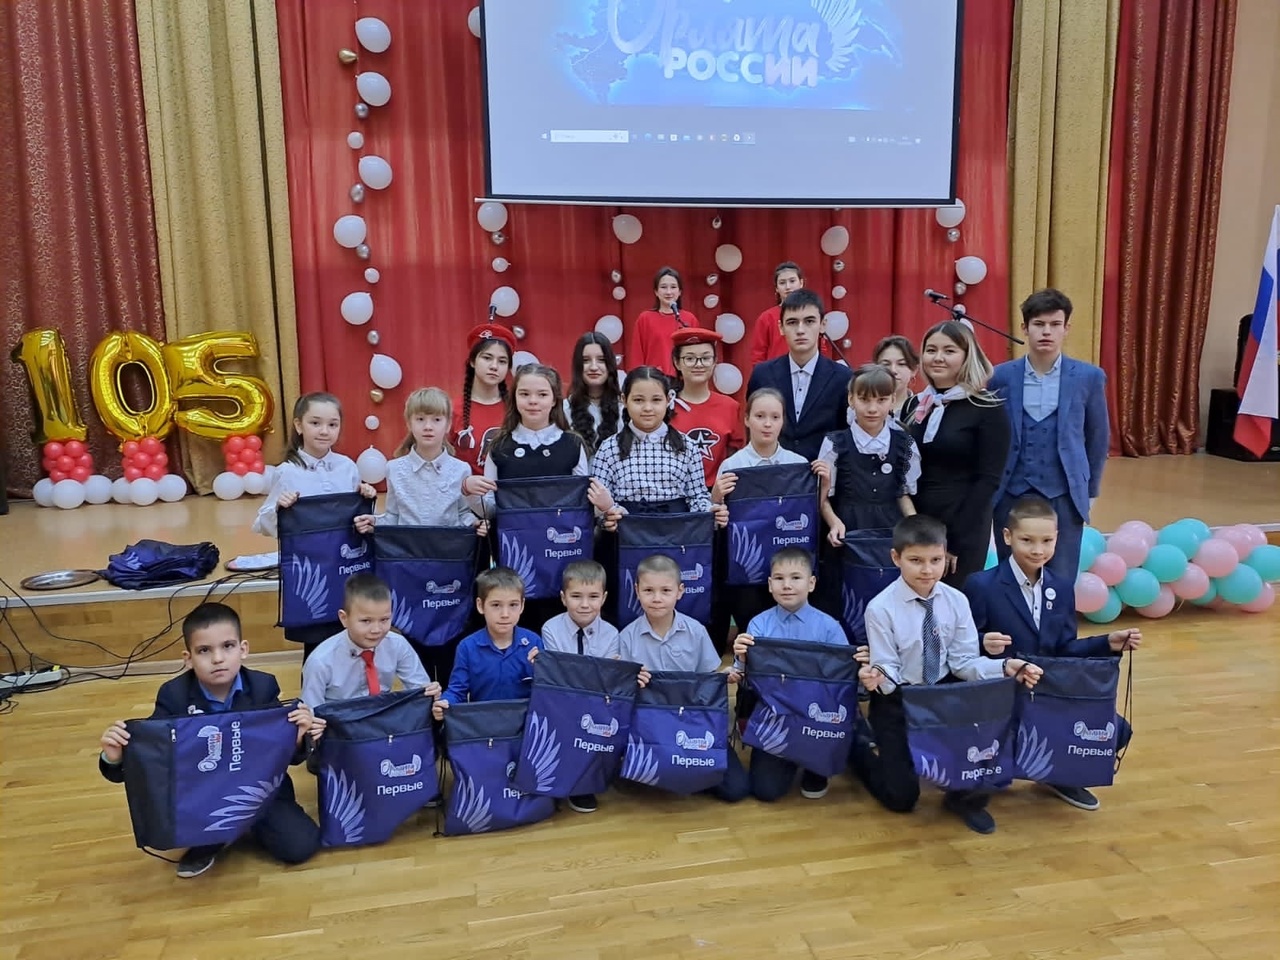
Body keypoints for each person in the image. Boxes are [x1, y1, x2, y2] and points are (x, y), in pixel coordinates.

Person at [851, 515, 1043, 835]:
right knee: (901, 798)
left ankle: (964, 800)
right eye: (916, 561)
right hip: (900, 698)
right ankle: (859, 749)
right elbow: (887, 666)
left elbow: (964, 663)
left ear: (946, 557)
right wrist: (877, 678)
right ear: (896, 558)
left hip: (944, 691)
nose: (927, 570)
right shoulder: (880, 608)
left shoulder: (956, 600)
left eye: (935, 560)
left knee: (977, 758)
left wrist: (1004, 666)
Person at [97, 602, 320, 878]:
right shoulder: (173, 695)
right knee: (185, 828)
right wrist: (114, 757)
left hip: (259, 792)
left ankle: (245, 825)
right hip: (203, 794)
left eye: (227, 646)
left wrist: (298, 736)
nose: (218, 658)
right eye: (204, 650)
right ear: (188, 658)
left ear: (243, 649)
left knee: (301, 847)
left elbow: (285, 755)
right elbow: (153, 758)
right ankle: (215, 837)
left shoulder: (263, 687)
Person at [963, 495, 1140, 812]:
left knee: (1118, 731)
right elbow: (960, 649)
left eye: (1046, 541)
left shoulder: (1060, 587)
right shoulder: (981, 585)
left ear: (1058, 538)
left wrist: (1107, 643)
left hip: (1049, 690)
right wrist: (982, 642)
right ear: (1007, 537)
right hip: (1002, 693)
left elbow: (1065, 649)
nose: (1037, 550)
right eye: (1027, 540)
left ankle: (1059, 773)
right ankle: (972, 791)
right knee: (991, 767)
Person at [472, 363, 613, 632]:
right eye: (525, 394)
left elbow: (584, 507)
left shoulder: (572, 444)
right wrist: (470, 494)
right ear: (514, 398)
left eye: (542, 394)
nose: (533, 401)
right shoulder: (500, 446)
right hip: (517, 563)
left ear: (555, 399)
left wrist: (604, 506)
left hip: (563, 559)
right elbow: (489, 508)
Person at [988, 289, 1110, 581]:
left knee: (1062, 575)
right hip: (1011, 489)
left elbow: (1097, 437)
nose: (1046, 332)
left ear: (1066, 329)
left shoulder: (1089, 377)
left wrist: (1090, 490)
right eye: (1039, 324)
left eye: (1055, 324)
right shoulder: (1000, 376)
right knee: (1011, 573)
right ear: (1024, 328)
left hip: (1064, 492)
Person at [731, 548, 864, 802]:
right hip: (776, 716)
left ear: (811, 583)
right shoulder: (758, 625)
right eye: (779, 578)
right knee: (766, 791)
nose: (787, 585)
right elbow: (745, 677)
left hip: (818, 718)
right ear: (769, 585)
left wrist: (861, 667)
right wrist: (742, 660)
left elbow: (842, 683)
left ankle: (818, 764)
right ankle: (791, 756)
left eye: (796, 577)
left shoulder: (829, 627)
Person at [617, 554, 750, 803]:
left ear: (680, 591)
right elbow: (621, 694)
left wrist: (724, 677)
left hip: (693, 722)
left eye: (665, 590)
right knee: (632, 775)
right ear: (636, 591)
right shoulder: (626, 638)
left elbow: (709, 679)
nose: (657, 598)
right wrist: (631, 681)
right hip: (651, 725)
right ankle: (676, 770)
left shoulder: (696, 631)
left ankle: (685, 771)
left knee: (736, 790)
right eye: (648, 590)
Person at [253, 392, 377, 657]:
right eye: (315, 423)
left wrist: (366, 499)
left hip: (345, 569)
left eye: (332, 424)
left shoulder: (347, 467)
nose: (324, 431)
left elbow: (359, 520)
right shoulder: (287, 471)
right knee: (318, 648)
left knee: (352, 639)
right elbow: (263, 524)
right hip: (313, 574)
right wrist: (280, 508)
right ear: (299, 425)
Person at [906, 321, 1011, 587]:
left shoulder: (987, 407)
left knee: (952, 602)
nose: (938, 357)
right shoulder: (915, 405)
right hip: (916, 523)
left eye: (949, 351)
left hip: (962, 525)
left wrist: (952, 540)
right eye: (931, 350)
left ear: (967, 357)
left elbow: (988, 481)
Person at [537, 559, 627, 814]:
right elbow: (558, 676)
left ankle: (584, 784)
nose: (585, 604)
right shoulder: (550, 629)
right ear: (563, 598)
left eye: (593, 597)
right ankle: (554, 777)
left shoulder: (612, 634)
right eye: (576, 596)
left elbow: (606, 682)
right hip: (561, 702)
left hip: (597, 703)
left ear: (604, 598)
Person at [590, 366, 723, 524]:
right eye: (638, 400)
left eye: (656, 400)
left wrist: (710, 512)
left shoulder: (688, 446)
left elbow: (697, 497)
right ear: (624, 400)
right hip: (625, 533)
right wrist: (609, 516)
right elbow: (598, 502)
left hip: (678, 532)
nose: (648, 408)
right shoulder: (609, 448)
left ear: (669, 399)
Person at [300, 573, 443, 712]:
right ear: (344, 618)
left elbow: (420, 690)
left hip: (383, 718)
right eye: (366, 621)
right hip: (339, 722)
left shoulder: (397, 644)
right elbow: (311, 714)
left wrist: (429, 693)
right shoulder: (320, 661)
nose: (376, 630)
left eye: (384, 620)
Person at [818, 364, 920, 544]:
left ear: (892, 399)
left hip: (891, 534)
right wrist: (834, 523)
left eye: (881, 400)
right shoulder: (835, 443)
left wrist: (915, 528)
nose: (872, 409)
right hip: (848, 533)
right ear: (851, 399)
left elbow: (903, 494)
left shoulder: (905, 443)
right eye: (864, 399)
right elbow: (823, 496)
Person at [745, 289, 852, 461]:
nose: (800, 330)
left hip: (823, 472)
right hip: (772, 471)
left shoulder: (843, 377)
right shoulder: (762, 374)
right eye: (792, 322)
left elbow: (846, 434)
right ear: (781, 327)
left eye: (809, 321)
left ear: (823, 324)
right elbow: (752, 430)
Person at [432, 567, 543, 719]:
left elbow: (545, 690)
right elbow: (457, 691)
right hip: (482, 724)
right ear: (480, 605)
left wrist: (540, 670)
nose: (505, 614)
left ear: (522, 605)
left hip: (524, 724)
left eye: (513, 605)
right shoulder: (467, 647)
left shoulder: (534, 642)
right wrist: (445, 703)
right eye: (496, 605)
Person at [669, 327, 744, 487]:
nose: (698, 364)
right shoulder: (665, 406)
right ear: (677, 362)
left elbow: (736, 455)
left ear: (715, 361)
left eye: (705, 358)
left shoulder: (730, 407)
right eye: (689, 358)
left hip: (719, 492)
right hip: (674, 493)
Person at [453, 324, 514, 474]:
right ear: (472, 361)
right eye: (487, 358)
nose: (494, 366)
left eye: (502, 361)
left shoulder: (517, 409)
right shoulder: (452, 410)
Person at [624, 266, 700, 376]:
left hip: (683, 380)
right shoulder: (645, 319)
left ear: (680, 292)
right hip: (654, 380)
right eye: (663, 287)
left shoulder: (689, 319)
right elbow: (637, 356)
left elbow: (696, 353)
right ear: (656, 291)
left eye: (673, 287)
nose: (669, 292)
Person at [749, 261, 824, 366]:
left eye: (792, 281)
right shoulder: (767, 317)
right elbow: (758, 355)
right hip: (776, 373)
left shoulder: (812, 312)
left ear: (801, 283)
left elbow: (821, 347)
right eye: (782, 283)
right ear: (776, 288)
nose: (788, 287)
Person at [564, 331, 623, 456]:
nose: (594, 367)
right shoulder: (564, 409)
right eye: (586, 360)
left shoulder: (624, 409)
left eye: (601, 360)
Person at [873, 335, 922, 425]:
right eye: (886, 364)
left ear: (914, 370)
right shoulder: (863, 407)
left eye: (901, 364)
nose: (893, 370)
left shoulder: (922, 408)